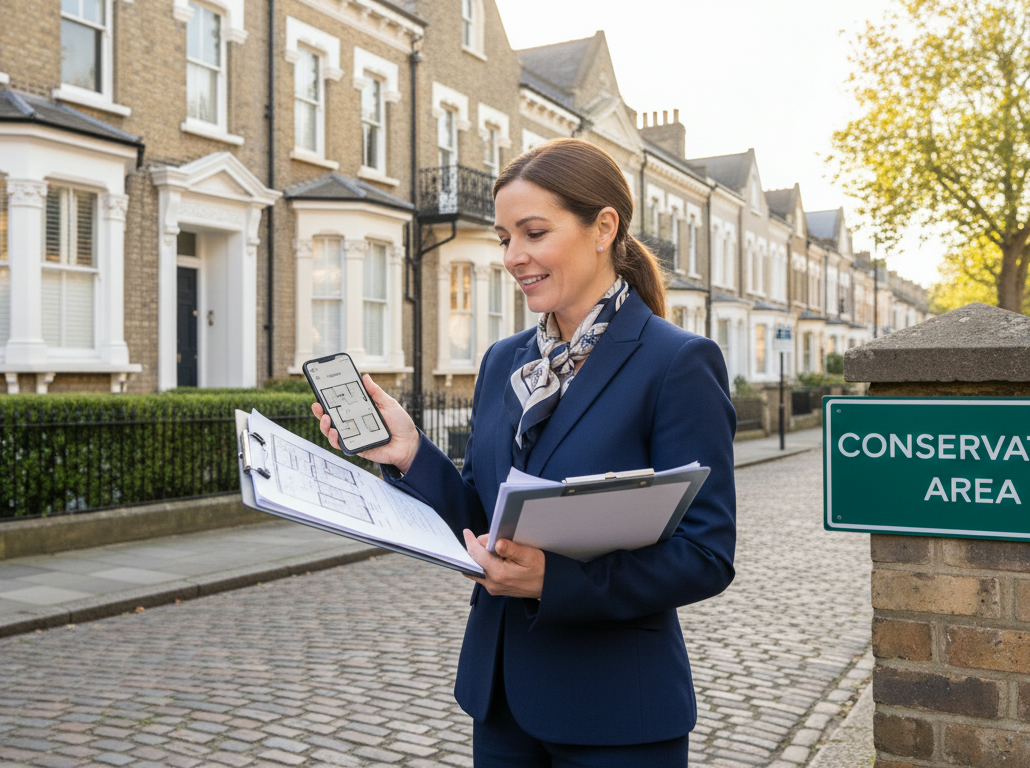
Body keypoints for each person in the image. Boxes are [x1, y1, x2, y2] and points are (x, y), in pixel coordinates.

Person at [311, 138, 736, 767]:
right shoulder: (502, 361)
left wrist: (554, 581)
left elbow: (705, 556)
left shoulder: (677, 363)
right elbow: (486, 516)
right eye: (504, 237)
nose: (514, 257)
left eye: (533, 233)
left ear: (604, 228)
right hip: (502, 702)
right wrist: (408, 453)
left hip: (617, 712)